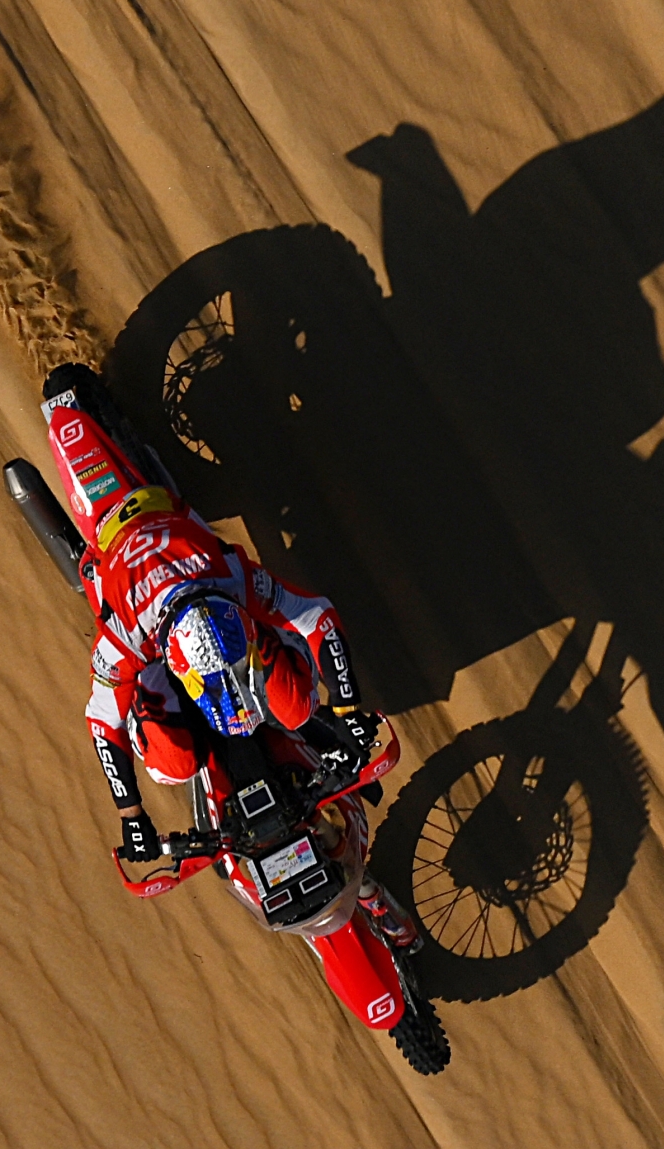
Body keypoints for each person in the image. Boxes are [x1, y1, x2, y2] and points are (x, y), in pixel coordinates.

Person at [50, 367, 415, 945]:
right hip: (129, 570)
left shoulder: (231, 579)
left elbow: (315, 615)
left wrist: (345, 707)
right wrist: (130, 814)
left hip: (201, 587)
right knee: (173, 762)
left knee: (297, 706)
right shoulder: (130, 636)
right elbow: (103, 719)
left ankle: (304, 721)